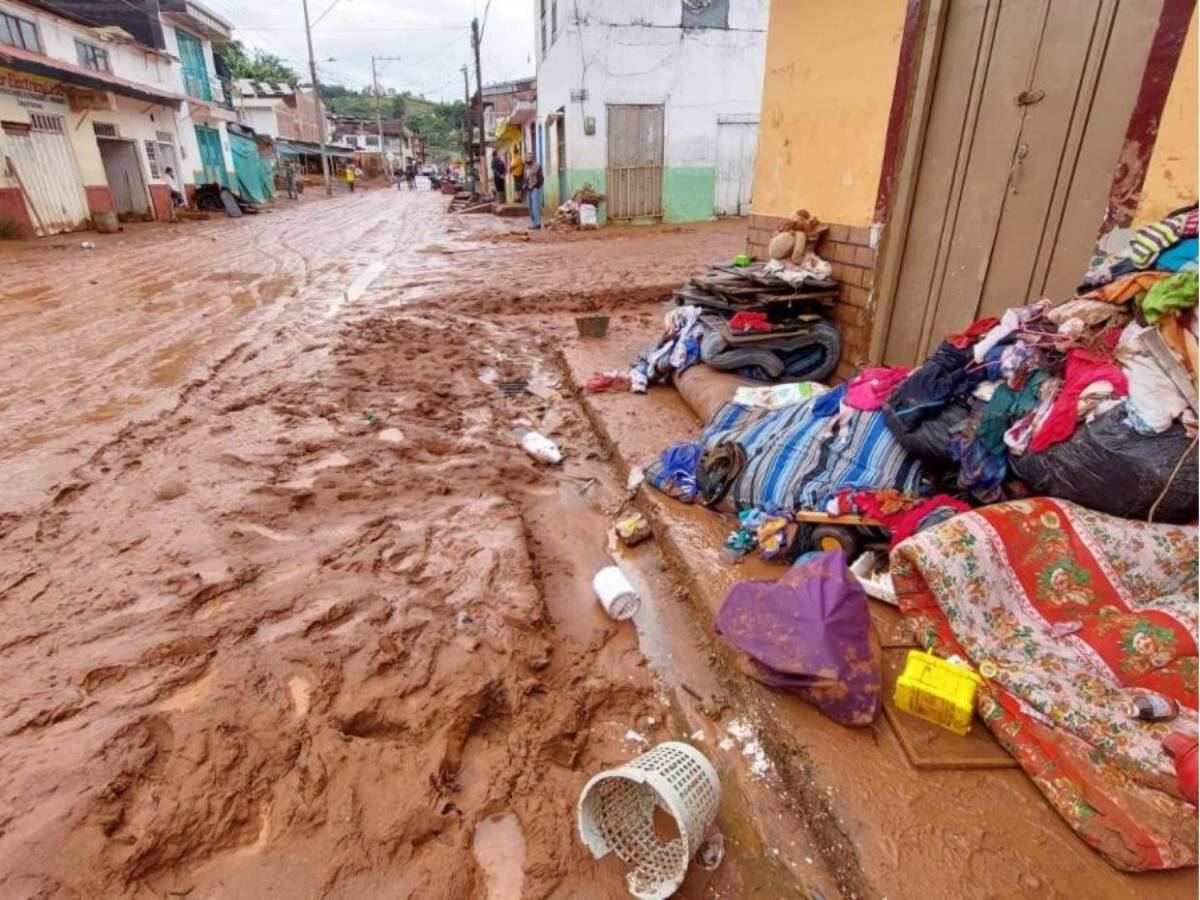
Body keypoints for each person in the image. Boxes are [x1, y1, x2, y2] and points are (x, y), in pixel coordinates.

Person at [524, 152, 543, 230]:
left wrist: (536, 186)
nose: (528, 159)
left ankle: (537, 224)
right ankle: (533, 223)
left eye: (529, 157)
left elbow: (541, 178)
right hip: (528, 189)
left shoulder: (537, 166)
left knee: (535, 206)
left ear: (532, 158)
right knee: (529, 207)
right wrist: (525, 186)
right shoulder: (525, 167)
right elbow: (525, 178)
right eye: (527, 157)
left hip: (535, 188)